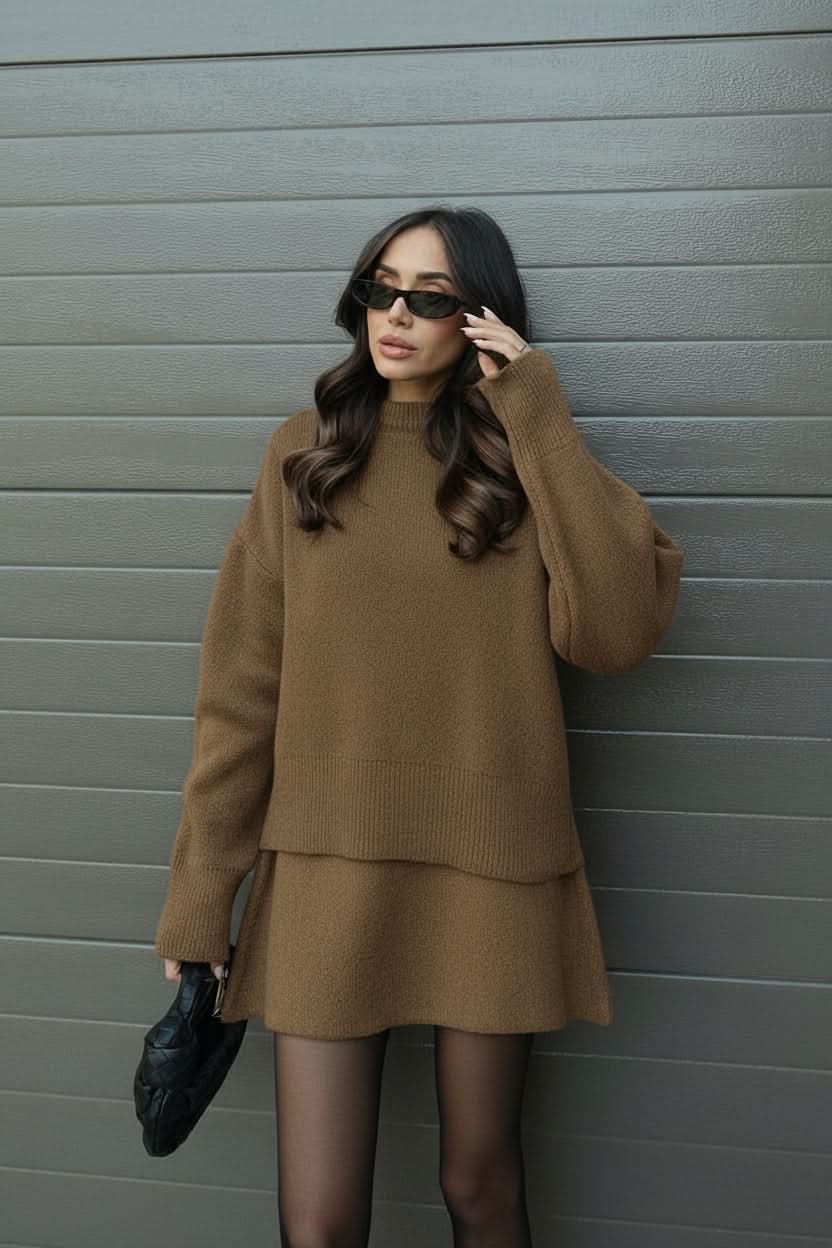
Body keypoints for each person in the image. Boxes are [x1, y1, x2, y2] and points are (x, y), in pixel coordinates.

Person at [154, 205, 684, 1246]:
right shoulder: (303, 453)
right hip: (326, 863)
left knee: (479, 1189)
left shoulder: (525, 454)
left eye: (429, 298)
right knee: (318, 1223)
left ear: (480, 318)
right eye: (379, 289)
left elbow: (617, 631)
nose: (394, 316)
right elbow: (240, 694)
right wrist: (201, 894)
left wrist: (533, 409)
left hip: (492, 869)